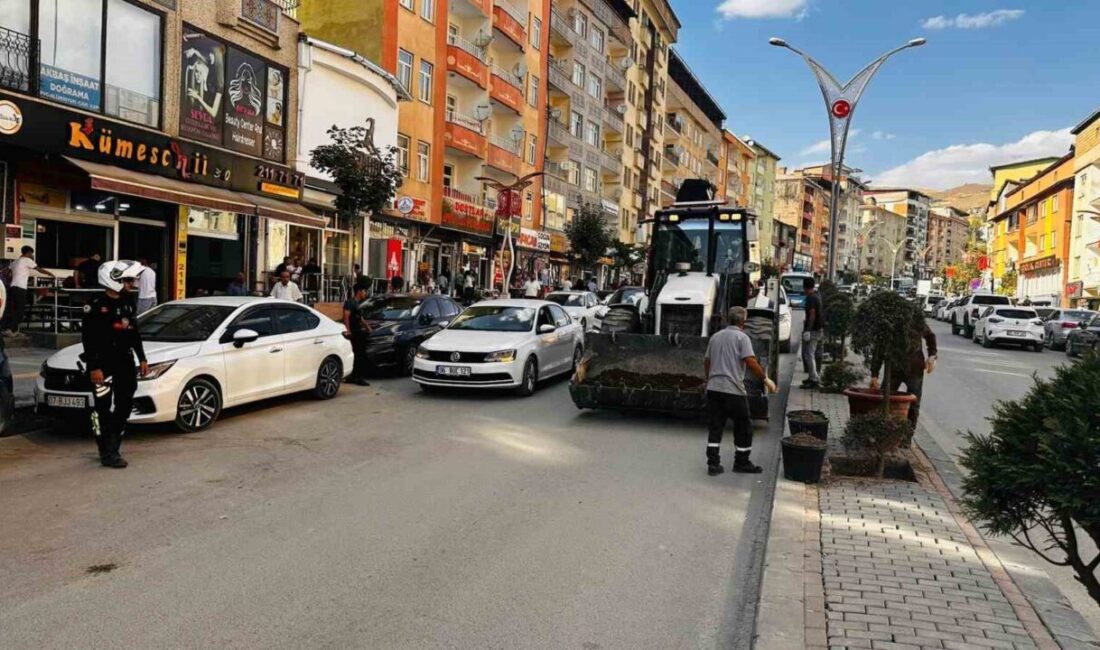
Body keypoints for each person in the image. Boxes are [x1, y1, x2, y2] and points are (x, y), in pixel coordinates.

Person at [82, 260, 149, 468]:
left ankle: (113, 446)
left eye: (132, 279)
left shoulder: (128, 301)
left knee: (124, 405)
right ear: (113, 279)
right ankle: (105, 450)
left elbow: (134, 332)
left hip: (125, 362)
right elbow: (88, 338)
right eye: (128, 280)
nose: (132, 283)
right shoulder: (94, 304)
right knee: (100, 409)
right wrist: (94, 367)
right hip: (102, 365)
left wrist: (142, 358)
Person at [704, 306, 776, 475]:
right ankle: (741, 462)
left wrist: (708, 380)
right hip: (733, 390)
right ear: (744, 321)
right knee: (744, 426)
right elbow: (750, 361)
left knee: (715, 426)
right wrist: (765, 379)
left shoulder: (715, 337)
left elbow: (707, 361)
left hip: (714, 389)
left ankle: (713, 464)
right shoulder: (742, 338)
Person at [869, 308, 937, 431]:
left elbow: (930, 336)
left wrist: (932, 356)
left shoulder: (916, 321)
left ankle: (907, 436)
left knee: (914, 403)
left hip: (914, 368)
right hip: (894, 369)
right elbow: (879, 350)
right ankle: (883, 430)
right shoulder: (888, 325)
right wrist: (874, 374)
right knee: (884, 399)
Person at [3, 246, 54, 334]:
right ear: (28, 253)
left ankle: (11, 329)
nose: (32, 255)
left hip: (12, 287)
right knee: (20, 310)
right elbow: (39, 269)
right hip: (20, 288)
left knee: (13, 309)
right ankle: (11, 329)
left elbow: (7, 272)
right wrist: (50, 274)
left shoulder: (15, 261)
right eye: (31, 253)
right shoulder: (27, 260)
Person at [343, 283, 371, 387]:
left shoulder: (357, 303)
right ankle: (358, 377)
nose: (365, 293)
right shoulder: (350, 302)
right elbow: (346, 316)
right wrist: (348, 330)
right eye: (364, 291)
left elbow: (360, 318)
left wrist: (367, 326)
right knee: (359, 354)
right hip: (354, 332)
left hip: (358, 331)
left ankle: (354, 376)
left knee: (359, 354)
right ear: (359, 291)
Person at [800, 277, 825, 389]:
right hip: (817, 329)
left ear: (805, 287)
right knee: (808, 354)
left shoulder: (811, 298)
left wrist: (808, 330)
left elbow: (812, 314)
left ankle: (814, 379)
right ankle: (811, 377)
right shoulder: (816, 295)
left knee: (809, 354)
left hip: (814, 330)